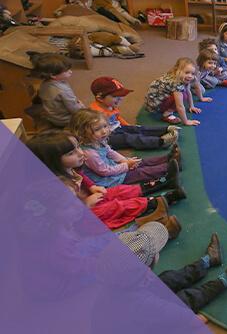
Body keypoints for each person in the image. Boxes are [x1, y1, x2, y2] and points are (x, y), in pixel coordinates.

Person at [26, 130, 184, 233]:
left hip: (90, 198)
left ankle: (162, 183)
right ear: (51, 161)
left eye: (78, 148)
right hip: (82, 215)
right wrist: (86, 203)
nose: (81, 153)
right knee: (116, 206)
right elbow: (64, 216)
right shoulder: (56, 188)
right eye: (71, 153)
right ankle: (156, 203)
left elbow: (82, 177)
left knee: (119, 191)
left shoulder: (67, 169)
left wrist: (92, 186)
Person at [70, 109, 181, 188]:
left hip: (113, 167)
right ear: (83, 133)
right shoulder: (89, 153)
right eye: (97, 129)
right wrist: (126, 166)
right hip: (110, 180)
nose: (104, 131)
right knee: (141, 172)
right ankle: (167, 168)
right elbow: (105, 171)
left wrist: (125, 160)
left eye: (105, 126)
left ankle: (168, 158)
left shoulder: (98, 140)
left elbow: (110, 152)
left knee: (138, 161)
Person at [89, 76, 180, 150]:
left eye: (121, 96)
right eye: (116, 96)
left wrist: (128, 126)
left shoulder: (109, 105)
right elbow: (92, 131)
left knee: (138, 129)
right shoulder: (95, 113)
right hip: (107, 137)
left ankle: (166, 129)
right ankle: (161, 142)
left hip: (117, 128)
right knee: (130, 138)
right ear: (100, 98)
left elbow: (117, 117)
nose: (120, 99)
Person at [29, 52, 85, 128]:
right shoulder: (63, 90)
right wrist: (81, 106)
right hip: (64, 120)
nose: (70, 71)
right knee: (89, 116)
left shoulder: (44, 83)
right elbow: (75, 110)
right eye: (66, 71)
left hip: (51, 115)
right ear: (53, 75)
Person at [144, 57, 201, 126]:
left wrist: (192, 106)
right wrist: (186, 121)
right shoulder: (176, 83)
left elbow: (188, 90)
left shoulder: (180, 77)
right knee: (183, 96)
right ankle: (167, 114)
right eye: (187, 72)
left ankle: (168, 107)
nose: (190, 76)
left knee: (184, 93)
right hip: (154, 105)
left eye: (192, 74)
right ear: (177, 70)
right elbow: (179, 106)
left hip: (156, 99)